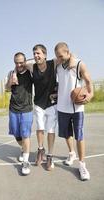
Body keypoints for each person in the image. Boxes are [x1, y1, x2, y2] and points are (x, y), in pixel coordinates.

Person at [54, 42, 94, 181]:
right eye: (56, 56)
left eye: (60, 56)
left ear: (67, 52)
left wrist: (90, 94)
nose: (58, 58)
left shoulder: (79, 64)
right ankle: (71, 153)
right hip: (62, 107)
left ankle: (82, 165)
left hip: (77, 108)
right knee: (67, 134)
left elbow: (88, 81)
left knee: (79, 136)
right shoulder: (57, 64)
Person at [5, 52, 33, 175]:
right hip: (13, 109)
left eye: (21, 62)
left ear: (25, 61)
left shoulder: (30, 72)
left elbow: (36, 63)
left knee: (25, 134)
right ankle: (23, 149)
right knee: (17, 134)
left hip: (27, 108)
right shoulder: (11, 73)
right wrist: (10, 82)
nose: (19, 64)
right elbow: (7, 88)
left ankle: (26, 161)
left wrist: (27, 65)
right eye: (17, 62)